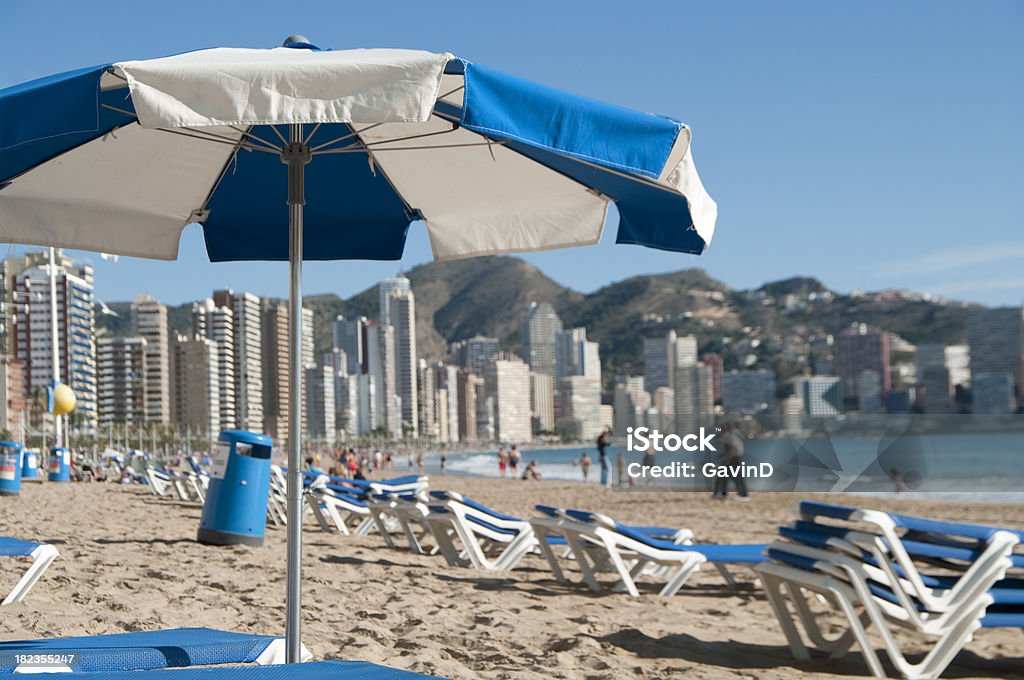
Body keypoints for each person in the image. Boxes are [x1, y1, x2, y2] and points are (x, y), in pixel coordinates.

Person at [712, 424, 749, 501]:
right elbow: (728, 449)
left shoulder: (728, 436)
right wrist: (721, 456)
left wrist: (727, 460)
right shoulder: (729, 436)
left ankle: (743, 495)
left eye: (720, 430)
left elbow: (732, 449)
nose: (719, 432)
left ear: (724, 430)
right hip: (734, 457)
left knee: (736, 477)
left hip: (734, 458)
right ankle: (721, 494)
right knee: (724, 476)